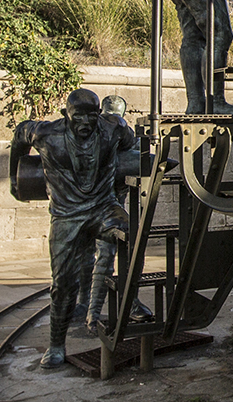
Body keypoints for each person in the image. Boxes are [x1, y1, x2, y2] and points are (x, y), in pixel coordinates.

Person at [11, 88, 126, 366]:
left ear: (99, 115)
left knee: (134, 234)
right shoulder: (45, 134)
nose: (86, 123)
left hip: (102, 209)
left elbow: (130, 141)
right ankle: (56, 345)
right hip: (66, 215)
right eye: (79, 117)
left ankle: (128, 301)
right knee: (63, 282)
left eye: (91, 117)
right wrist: (13, 179)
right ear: (66, 114)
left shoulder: (112, 129)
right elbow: (18, 135)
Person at [79, 95, 142, 330]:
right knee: (100, 259)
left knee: (113, 257)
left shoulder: (122, 141)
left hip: (109, 206)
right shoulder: (96, 141)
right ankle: (92, 313)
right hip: (100, 208)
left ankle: (122, 305)